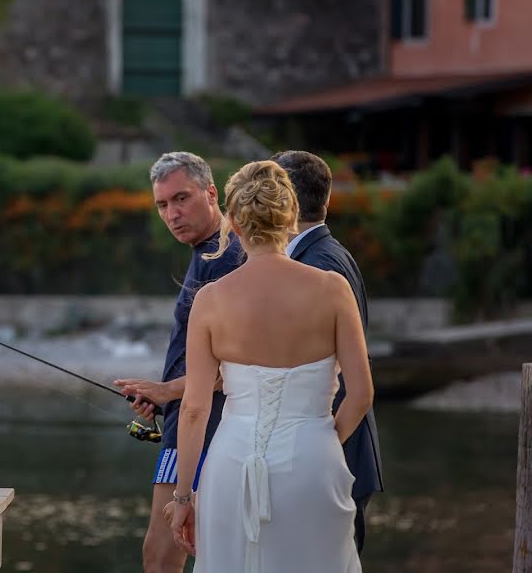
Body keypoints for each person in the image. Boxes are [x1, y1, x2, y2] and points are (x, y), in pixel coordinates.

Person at [170, 160, 373, 571]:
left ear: (234, 224)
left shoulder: (210, 300)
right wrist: (323, 438)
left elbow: (194, 409)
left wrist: (183, 498)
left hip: (229, 466)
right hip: (314, 461)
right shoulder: (332, 289)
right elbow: (362, 393)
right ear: (291, 217)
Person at [114, 151, 243, 573]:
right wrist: (163, 397)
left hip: (201, 425)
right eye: (163, 205)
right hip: (186, 417)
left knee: (162, 552)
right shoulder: (206, 252)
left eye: (182, 199)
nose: (172, 213)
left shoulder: (223, 258)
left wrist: (170, 391)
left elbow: (239, 360)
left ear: (211, 193)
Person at [272, 149, 384, 553]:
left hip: (335, 452)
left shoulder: (320, 265)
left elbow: (345, 375)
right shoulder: (327, 253)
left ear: (288, 201)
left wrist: (320, 446)